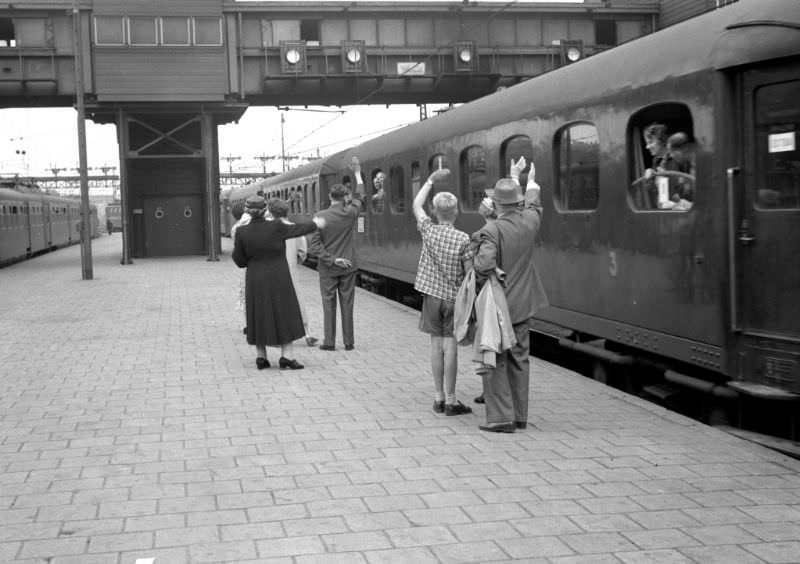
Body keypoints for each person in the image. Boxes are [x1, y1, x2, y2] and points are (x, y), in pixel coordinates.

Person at [472, 156, 548, 433]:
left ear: (495, 205)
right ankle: (520, 416)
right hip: (525, 303)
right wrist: (526, 181)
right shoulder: (530, 221)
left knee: (495, 359)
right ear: (517, 202)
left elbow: (483, 265)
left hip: (498, 305)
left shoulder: (491, 229)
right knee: (520, 359)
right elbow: (534, 203)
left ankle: (501, 418)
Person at [232, 195, 325, 370]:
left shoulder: (242, 232)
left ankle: (261, 357)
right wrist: (316, 224)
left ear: (247, 211)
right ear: (265, 210)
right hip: (278, 277)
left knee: (258, 314)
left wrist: (253, 261)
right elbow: (297, 229)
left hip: (255, 278)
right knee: (284, 312)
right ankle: (287, 357)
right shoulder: (276, 226)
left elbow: (239, 260)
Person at [412, 166, 474, 416]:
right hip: (453, 299)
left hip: (431, 298)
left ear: (434, 212)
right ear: (456, 212)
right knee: (451, 348)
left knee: (435, 346)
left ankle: (437, 398)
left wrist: (429, 181)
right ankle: (451, 400)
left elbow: (417, 205)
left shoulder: (428, 230)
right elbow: (469, 274)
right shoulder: (463, 239)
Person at [309, 156, 365, 351]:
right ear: (344, 198)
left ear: (331, 197)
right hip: (349, 265)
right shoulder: (350, 213)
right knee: (347, 304)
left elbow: (314, 247)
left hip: (328, 267)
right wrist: (357, 173)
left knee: (328, 303)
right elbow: (360, 196)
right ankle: (349, 343)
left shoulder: (320, 217)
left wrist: (332, 259)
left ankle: (330, 342)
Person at [267, 198, 319, 347]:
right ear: (286, 211)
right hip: (290, 270)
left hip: (272, 271)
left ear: (271, 212)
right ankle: (307, 333)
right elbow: (302, 253)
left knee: (274, 302)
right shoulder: (295, 230)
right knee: (297, 299)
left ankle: (275, 336)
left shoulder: (268, 229)